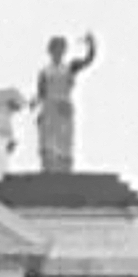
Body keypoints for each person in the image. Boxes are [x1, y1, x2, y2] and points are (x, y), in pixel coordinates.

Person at [31, 32, 96, 172]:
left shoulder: (70, 68)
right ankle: (48, 171)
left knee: (64, 145)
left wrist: (91, 44)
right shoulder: (45, 72)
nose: (58, 52)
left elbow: (88, 60)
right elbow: (41, 92)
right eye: (55, 49)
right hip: (49, 109)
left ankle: (64, 171)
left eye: (60, 49)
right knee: (48, 144)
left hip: (63, 109)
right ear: (50, 51)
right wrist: (34, 103)